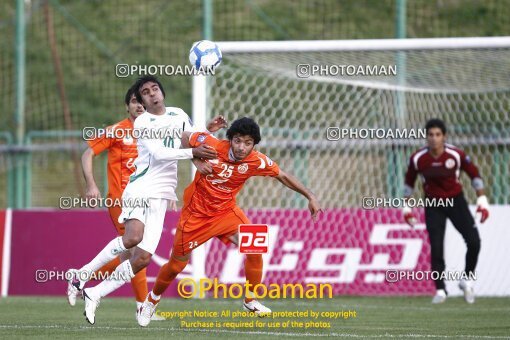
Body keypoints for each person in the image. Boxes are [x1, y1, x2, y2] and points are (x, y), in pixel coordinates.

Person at [67, 76, 227, 324]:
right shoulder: (142, 122)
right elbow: (159, 153)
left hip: (162, 193)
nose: (152, 94)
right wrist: (193, 153)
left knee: (142, 259)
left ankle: (94, 292)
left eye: (155, 89)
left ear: (162, 92)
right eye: (145, 92)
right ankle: (83, 273)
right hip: (140, 188)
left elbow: (190, 136)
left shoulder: (178, 114)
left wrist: (207, 130)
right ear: (142, 100)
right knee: (132, 237)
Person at [137, 117, 322, 327]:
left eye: (248, 143)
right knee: (176, 265)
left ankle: (250, 300)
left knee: (255, 247)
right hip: (195, 216)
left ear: (254, 145)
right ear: (230, 139)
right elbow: (183, 137)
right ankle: (151, 301)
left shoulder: (256, 161)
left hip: (226, 213)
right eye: (237, 141)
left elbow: (283, 175)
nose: (242, 147)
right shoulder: (212, 145)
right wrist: (195, 159)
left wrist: (311, 197)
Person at [403, 118, 489, 304]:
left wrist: (482, 200)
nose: (434, 138)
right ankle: (440, 290)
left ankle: (467, 279)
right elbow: (409, 184)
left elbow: (474, 175)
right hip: (433, 205)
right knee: (436, 246)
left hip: (456, 202)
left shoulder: (456, 155)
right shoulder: (418, 159)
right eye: (430, 135)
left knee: (474, 241)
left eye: (438, 135)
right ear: (426, 137)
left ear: (444, 136)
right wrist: (406, 208)